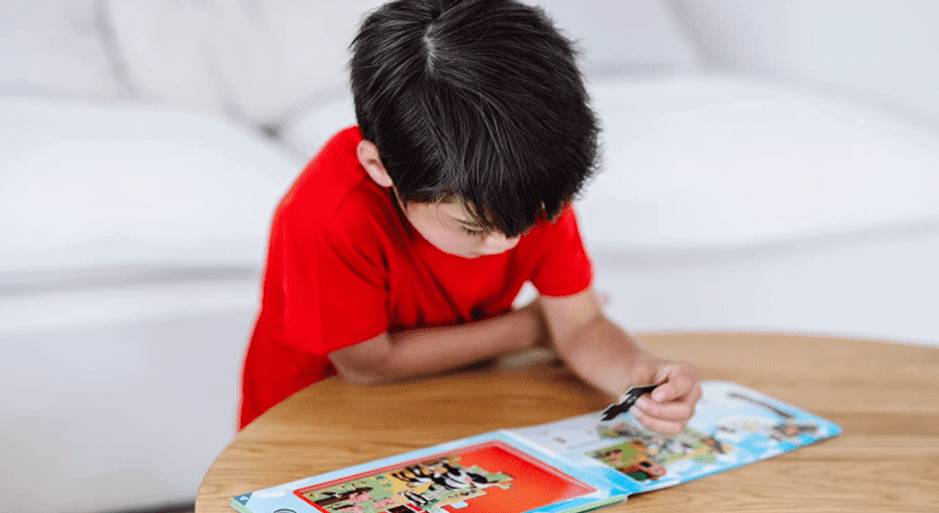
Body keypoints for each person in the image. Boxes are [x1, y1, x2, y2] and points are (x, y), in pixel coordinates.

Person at [238, 0, 702, 434]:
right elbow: (368, 366)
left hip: (454, 397)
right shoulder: (328, 214)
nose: (505, 244)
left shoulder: (525, 189)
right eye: (472, 228)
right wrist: (531, 328)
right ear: (380, 168)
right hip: (313, 416)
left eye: (527, 224)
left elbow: (580, 325)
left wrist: (639, 374)